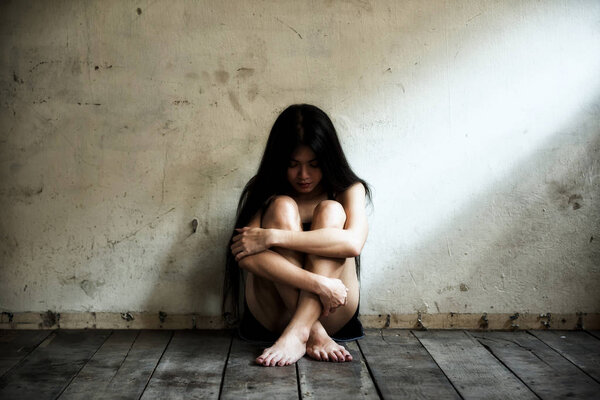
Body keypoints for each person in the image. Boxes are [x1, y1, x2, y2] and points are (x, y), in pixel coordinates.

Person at [224, 104, 371, 367]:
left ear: (328, 160)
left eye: (314, 165)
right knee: (281, 205)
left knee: (331, 210)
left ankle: (300, 330)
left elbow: (352, 243)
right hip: (276, 310)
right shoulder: (264, 188)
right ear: (280, 162)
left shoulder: (348, 189)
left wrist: (272, 237)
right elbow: (244, 255)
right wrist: (318, 284)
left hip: (334, 310)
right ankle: (310, 332)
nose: (304, 175)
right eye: (293, 165)